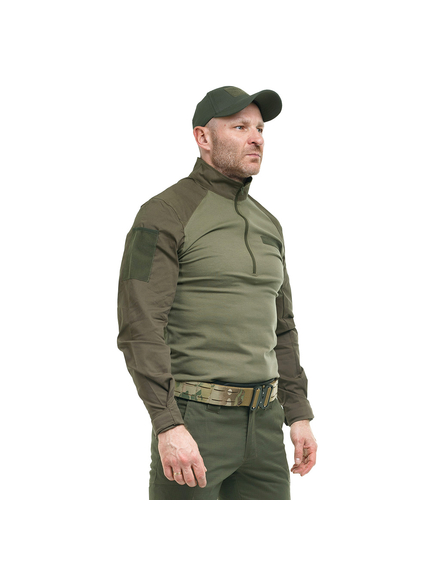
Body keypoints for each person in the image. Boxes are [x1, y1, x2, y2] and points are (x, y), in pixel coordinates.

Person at [117, 86, 317, 500]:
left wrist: (298, 414)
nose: (256, 138)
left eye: (260, 128)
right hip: (195, 424)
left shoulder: (268, 224)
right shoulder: (163, 214)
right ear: (202, 137)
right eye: (240, 127)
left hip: (265, 426)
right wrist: (168, 424)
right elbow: (140, 328)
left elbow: (282, 327)